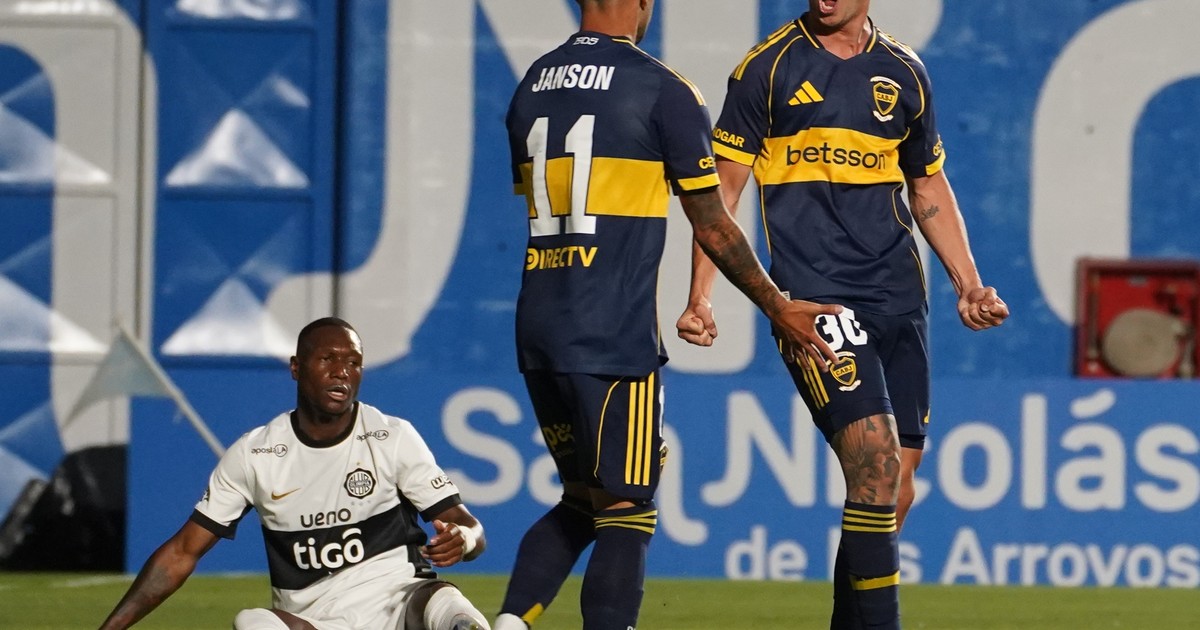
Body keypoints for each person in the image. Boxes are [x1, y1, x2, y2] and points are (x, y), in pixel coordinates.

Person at [494, 1, 844, 629]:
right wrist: (777, 305)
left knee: (582, 499)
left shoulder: (533, 84)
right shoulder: (661, 87)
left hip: (540, 323)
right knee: (627, 509)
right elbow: (712, 222)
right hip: (611, 328)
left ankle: (508, 623)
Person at [676, 1, 1009, 628]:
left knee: (894, 488)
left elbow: (927, 185)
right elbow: (721, 193)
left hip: (899, 297)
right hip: (815, 299)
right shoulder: (767, 69)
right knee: (875, 464)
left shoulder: (905, 72)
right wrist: (700, 296)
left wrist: (968, 284)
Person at [100, 317, 491, 630]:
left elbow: (469, 527)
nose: (342, 372)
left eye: (353, 363)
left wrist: (464, 540)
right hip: (314, 621)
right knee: (251, 622)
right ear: (296, 367)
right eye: (328, 359)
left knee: (447, 604)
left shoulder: (392, 436)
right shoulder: (255, 454)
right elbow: (182, 552)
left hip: (401, 605)